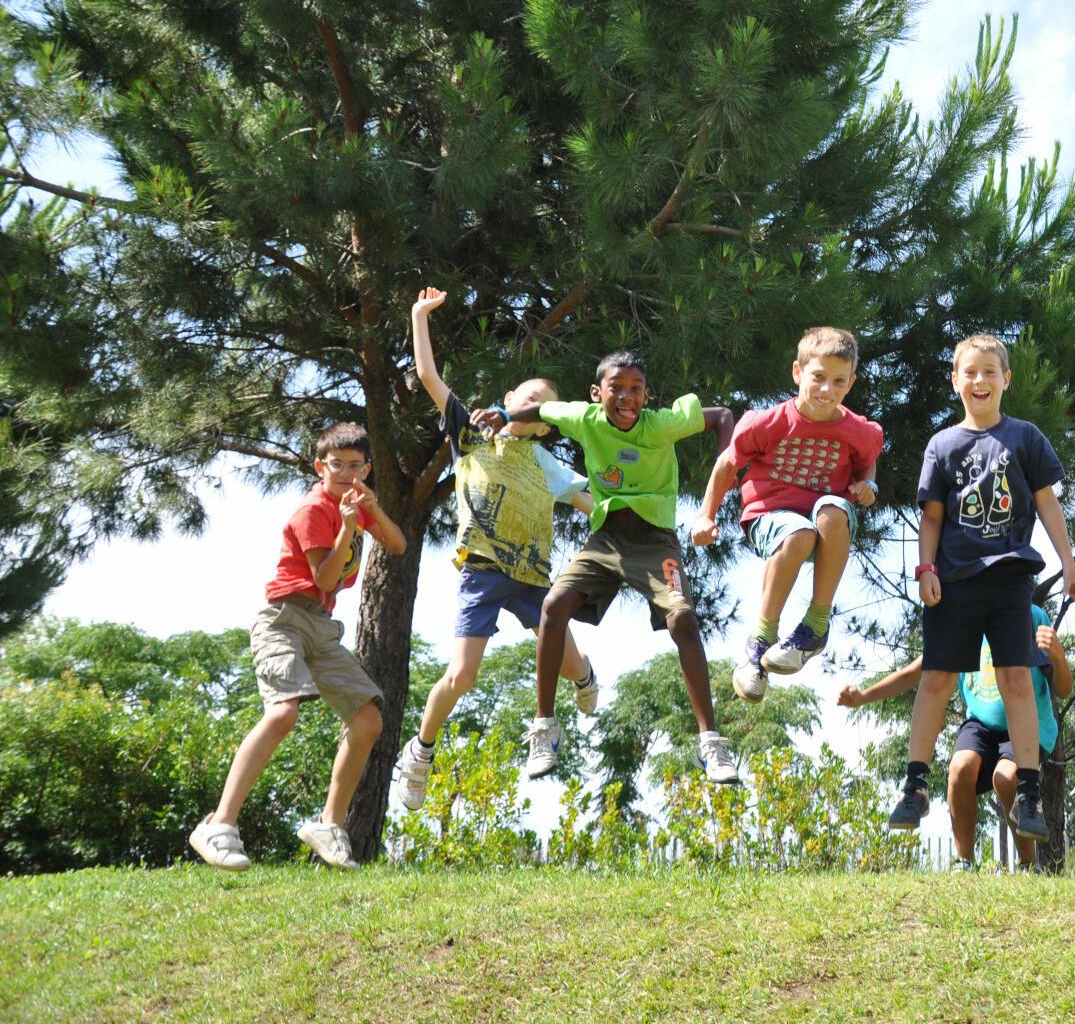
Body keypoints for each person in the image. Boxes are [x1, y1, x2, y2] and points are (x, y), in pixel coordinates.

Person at [470, 350, 737, 782]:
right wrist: (504, 412)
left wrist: (728, 463)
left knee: (683, 620)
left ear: (647, 395)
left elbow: (722, 415)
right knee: (554, 604)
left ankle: (711, 742)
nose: (626, 398)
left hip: (654, 542)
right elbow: (541, 409)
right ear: (598, 393)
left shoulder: (663, 423)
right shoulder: (586, 418)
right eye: (616, 388)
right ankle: (544, 727)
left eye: (636, 389)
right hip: (605, 538)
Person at [392, 287, 599, 810]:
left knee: (572, 669)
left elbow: (598, 505)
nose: (528, 406)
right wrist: (420, 317)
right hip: (481, 571)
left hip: (533, 580)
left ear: (549, 423)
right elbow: (428, 378)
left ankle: (587, 674)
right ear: (508, 400)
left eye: (541, 405)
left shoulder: (549, 464)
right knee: (461, 675)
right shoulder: (473, 434)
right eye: (523, 396)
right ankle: (418, 754)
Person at [888, 334, 1075, 841]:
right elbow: (931, 518)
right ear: (956, 381)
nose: (979, 381)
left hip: (1010, 579)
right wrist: (925, 569)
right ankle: (914, 784)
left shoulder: (1025, 437)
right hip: (953, 582)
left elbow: (1047, 504)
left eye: (989, 372)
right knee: (936, 677)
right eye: (969, 372)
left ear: (1006, 380)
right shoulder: (943, 445)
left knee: (1017, 678)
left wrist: (1069, 564)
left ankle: (1028, 790)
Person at [188, 422, 408, 871]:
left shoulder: (355, 503)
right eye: (336, 466)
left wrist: (374, 508)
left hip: (321, 626)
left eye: (355, 467)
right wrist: (348, 528)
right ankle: (219, 825)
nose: (345, 474)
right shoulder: (313, 511)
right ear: (319, 467)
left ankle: (330, 823)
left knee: (367, 721)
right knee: (283, 712)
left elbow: (398, 544)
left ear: (367, 468)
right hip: (283, 619)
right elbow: (324, 578)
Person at [692, 326, 883, 702]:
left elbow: (867, 464)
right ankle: (760, 642)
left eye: (839, 381)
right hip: (771, 515)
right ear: (798, 372)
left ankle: (815, 627)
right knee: (798, 534)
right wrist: (705, 516)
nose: (827, 389)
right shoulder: (765, 423)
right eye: (818, 378)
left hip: (829, 521)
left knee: (830, 509)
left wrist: (869, 486)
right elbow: (726, 466)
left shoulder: (859, 430)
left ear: (851, 383)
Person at [840, 604, 1071, 871]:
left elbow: (1063, 689)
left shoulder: (1028, 615)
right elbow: (915, 673)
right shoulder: (963, 618)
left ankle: (1029, 864)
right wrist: (862, 697)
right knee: (960, 767)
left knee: (1006, 777)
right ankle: (964, 862)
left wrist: (1058, 655)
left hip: (1027, 727)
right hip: (981, 725)